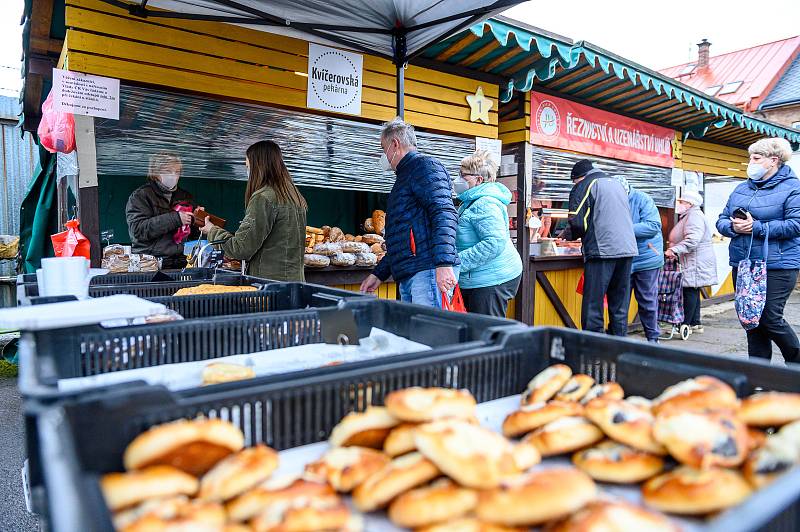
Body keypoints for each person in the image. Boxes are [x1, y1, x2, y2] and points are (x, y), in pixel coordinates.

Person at [716, 137, 800, 362]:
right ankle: (759, 375)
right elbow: (721, 220)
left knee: (769, 318)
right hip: (744, 263)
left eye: (756, 158)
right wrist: (733, 227)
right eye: (750, 158)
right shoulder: (741, 188)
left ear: (774, 160)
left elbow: (796, 225)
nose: (750, 163)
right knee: (750, 320)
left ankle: (796, 362)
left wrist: (757, 227)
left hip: (778, 264)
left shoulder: (793, 188)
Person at [360, 118, 459, 307]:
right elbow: (403, 236)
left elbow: (444, 213)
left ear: (395, 144)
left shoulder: (424, 167)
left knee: (427, 333)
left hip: (427, 270)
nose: (385, 157)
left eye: (384, 149)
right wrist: (379, 274)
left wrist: (444, 264)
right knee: (415, 332)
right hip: (415, 271)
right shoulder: (406, 175)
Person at [200, 140, 307, 281]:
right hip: (296, 282)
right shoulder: (294, 195)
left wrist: (212, 230)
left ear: (258, 166)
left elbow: (240, 248)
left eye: (247, 166)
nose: (248, 171)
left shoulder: (263, 197)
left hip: (269, 286)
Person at [562, 160, 637, 336]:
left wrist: (567, 236)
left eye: (574, 182)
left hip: (602, 250)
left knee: (593, 306)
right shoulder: (617, 185)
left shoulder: (585, 185)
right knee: (619, 305)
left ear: (578, 178)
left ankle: (593, 353)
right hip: (627, 250)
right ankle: (618, 348)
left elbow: (577, 222)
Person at [452, 150, 522, 317]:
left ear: (479, 179)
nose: (458, 179)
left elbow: (493, 243)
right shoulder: (470, 200)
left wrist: (456, 262)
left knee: (487, 333)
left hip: (491, 279)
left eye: (463, 175)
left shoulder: (485, 204)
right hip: (478, 276)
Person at [614, 176, 664, 343]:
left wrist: (622, 228)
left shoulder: (643, 199)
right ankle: (618, 341)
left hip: (647, 258)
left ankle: (653, 339)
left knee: (647, 301)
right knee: (620, 303)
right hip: (623, 257)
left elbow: (653, 226)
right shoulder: (612, 200)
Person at [126, 152, 197, 268]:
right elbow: (138, 231)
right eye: (168, 171)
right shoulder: (141, 196)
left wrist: (197, 220)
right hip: (150, 262)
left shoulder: (185, 196)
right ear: (155, 173)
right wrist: (176, 219)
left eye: (177, 172)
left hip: (181, 261)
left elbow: (192, 235)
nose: (173, 175)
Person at [665, 190, 716, 334]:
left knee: (689, 290)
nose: (679, 204)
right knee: (693, 289)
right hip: (694, 259)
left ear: (689, 203)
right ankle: (695, 323)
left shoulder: (694, 216)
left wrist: (674, 250)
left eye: (681, 202)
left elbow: (693, 240)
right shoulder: (691, 215)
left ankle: (684, 324)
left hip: (695, 260)